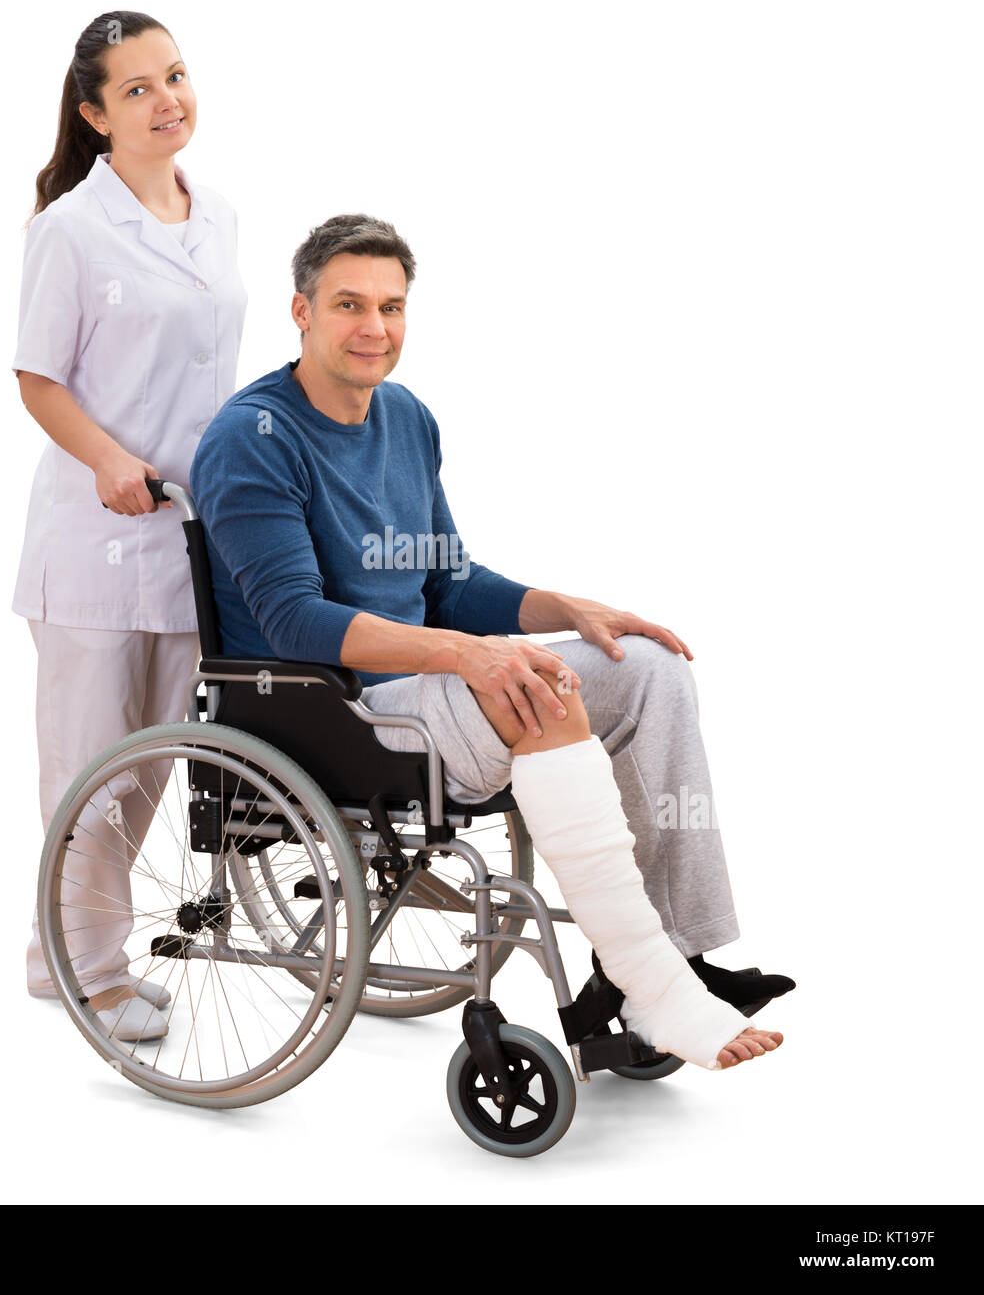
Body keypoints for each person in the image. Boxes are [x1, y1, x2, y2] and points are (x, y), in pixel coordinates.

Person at [190, 214, 794, 1072]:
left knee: (648, 669)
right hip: (332, 704)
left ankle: (674, 960)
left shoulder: (406, 418)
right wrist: (468, 654)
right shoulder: (252, 440)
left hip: (430, 684)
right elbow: (292, 619)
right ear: (301, 311)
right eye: (349, 305)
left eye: (392, 307)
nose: (375, 328)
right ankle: (651, 985)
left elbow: (449, 585)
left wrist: (569, 608)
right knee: (537, 687)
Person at [11, 11, 246, 1041]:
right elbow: (37, 375)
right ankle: (88, 972)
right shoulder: (70, 227)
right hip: (97, 545)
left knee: (150, 767)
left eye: (176, 76)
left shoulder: (216, 213)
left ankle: (57, 950)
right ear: (94, 113)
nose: (167, 100)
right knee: (89, 773)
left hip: (189, 540)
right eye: (139, 88)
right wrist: (108, 458)